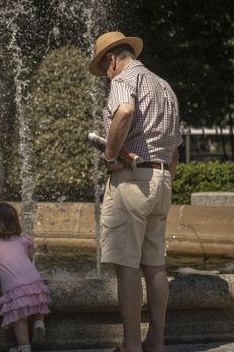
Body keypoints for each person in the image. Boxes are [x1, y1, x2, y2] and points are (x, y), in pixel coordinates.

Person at [88, 31, 182, 352]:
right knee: (155, 265)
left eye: (105, 71)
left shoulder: (124, 79)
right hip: (162, 179)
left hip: (132, 181)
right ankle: (156, 341)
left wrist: (111, 156)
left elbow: (125, 112)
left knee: (126, 266)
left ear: (112, 60)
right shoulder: (164, 86)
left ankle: (131, 346)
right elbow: (175, 151)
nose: (106, 78)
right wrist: (162, 182)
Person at [0, 202, 50, 352]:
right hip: (36, 282)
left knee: (20, 318)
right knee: (38, 303)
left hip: (15, 288)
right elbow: (29, 259)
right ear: (15, 222)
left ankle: (24, 347)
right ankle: (38, 323)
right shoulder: (24, 240)